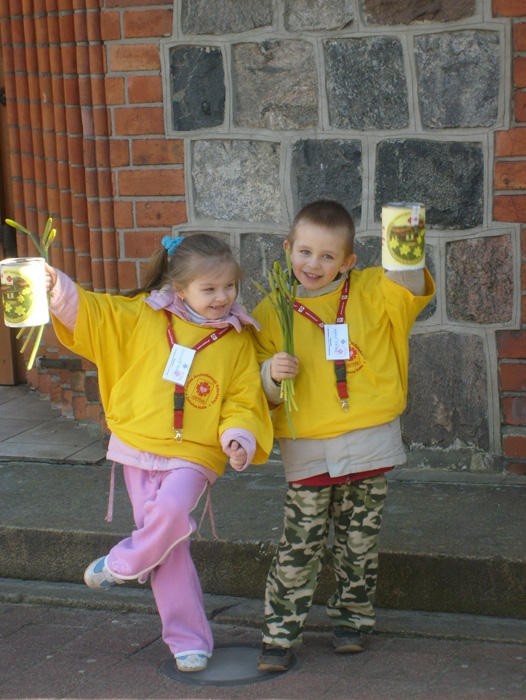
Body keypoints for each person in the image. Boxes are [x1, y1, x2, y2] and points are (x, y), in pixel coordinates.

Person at [45, 233, 273, 673]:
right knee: (168, 549)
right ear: (179, 288)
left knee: (170, 514)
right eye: (210, 289)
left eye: (229, 287)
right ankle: (188, 641)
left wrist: (239, 437)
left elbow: (244, 397)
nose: (223, 298)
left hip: (196, 452)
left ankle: (122, 562)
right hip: (137, 446)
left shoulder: (238, 338)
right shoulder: (143, 316)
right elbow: (97, 314)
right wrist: (58, 287)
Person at [251, 200, 435, 672]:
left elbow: (410, 287)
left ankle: (352, 620)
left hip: (368, 443)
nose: (315, 265)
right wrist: (271, 374)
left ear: (349, 261)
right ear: (288, 249)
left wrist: (406, 240)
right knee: (300, 543)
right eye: (306, 252)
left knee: (358, 543)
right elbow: (251, 385)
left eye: (329, 256)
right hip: (309, 449)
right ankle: (279, 633)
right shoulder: (271, 309)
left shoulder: (374, 289)